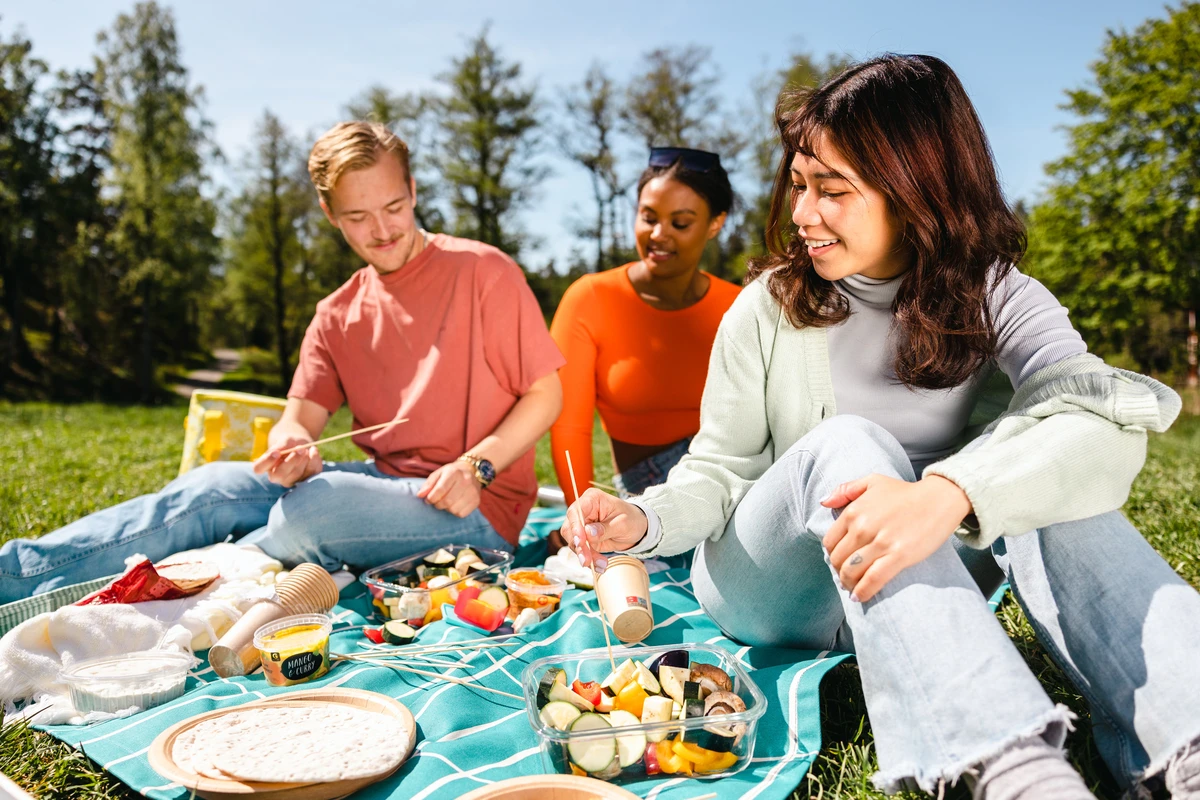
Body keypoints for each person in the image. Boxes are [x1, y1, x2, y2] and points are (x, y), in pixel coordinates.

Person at [564, 55, 1200, 799]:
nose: (802, 213)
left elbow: (1104, 416)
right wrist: (640, 519)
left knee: (1053, 472)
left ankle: (1185, 743)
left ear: (918, 192)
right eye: (799, 185)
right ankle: (1007, 771)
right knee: (851, 446)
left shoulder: (998, 295)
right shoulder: (767, 306)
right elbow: (719, 473)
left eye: (832, 190)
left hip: (925, 576)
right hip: (772, 587)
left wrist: (952, 490)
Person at [0, 122, 564, 605]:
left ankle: (144, 599)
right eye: (358, 216)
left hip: (477, 507)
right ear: (329, 213)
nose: (383, 230)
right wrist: (292, 446)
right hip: (383, 485)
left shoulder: (484, 273)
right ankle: (16, 576)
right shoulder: (336, 313)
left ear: (414, 190)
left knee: (314, 512)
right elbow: (300, 419)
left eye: (394, 207)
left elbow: (546, 394)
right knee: (210, 488)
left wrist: (476, 467)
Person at [549, 147, 740, 514]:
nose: (658, 234)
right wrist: (580, 515)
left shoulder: (740, 305)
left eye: (680, 223)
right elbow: (569, 427)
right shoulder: (591, 298)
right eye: (648, 217)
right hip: (649, 487)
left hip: (731, 471)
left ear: (715, 224)